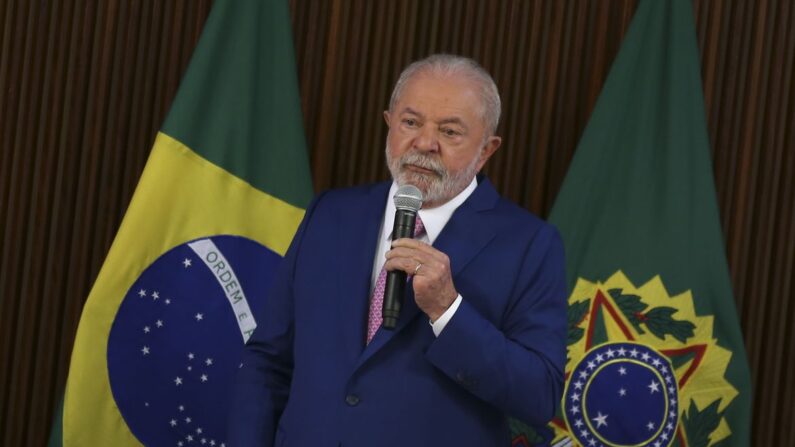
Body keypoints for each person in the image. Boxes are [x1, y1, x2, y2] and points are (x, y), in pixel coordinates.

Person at [228, 54, 567, 446]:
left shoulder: (529, 244)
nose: (425, 143)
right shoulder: (331, 213)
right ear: (389, 123)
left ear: (487, 149)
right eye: (410, 122)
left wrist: (448, 310)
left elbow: (539, 396)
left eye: (450, 132)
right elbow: (268, 361)